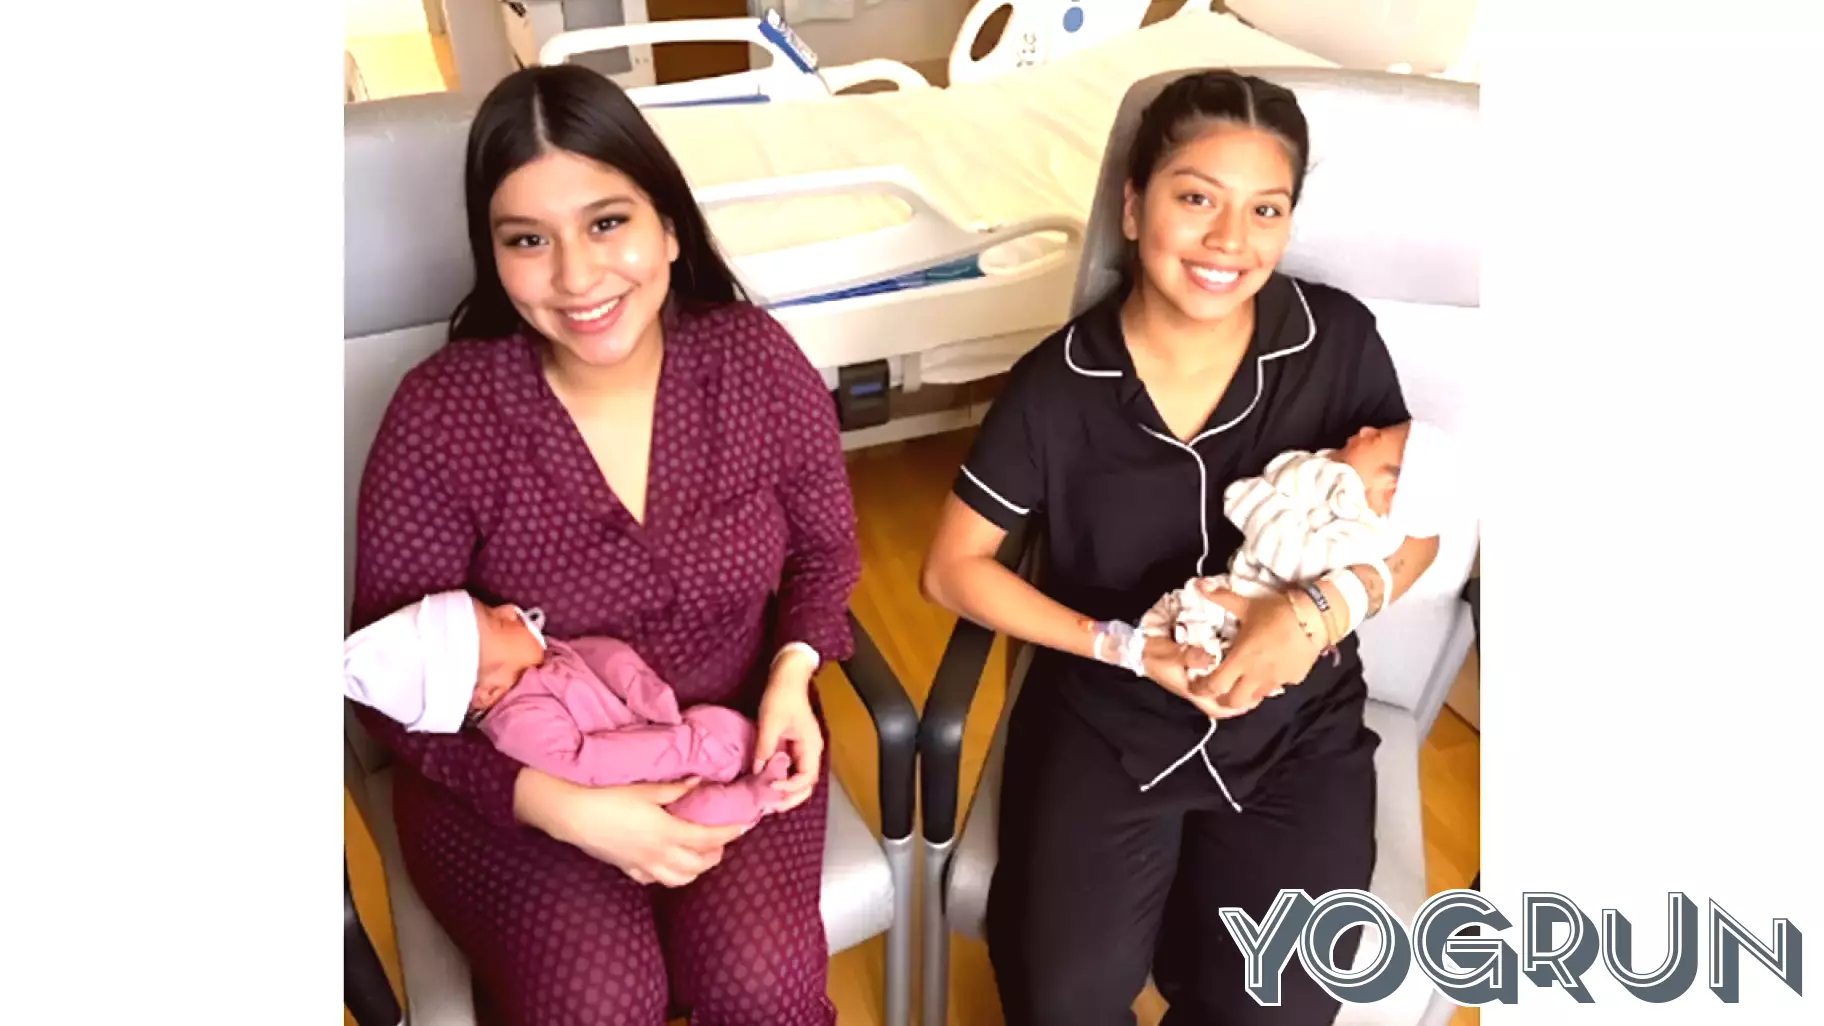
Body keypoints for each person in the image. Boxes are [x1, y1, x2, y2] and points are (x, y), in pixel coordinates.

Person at [919, 70, 1441, 1026]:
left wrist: (1318, 611)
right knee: (1062, 1000)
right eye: (1196, 198)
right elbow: (951, 568)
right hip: (1108, 717)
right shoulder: (1059, 384)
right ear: (1133, 204)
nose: (1228, 243)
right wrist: (1123, 645)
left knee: (1276, 1005)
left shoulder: (1334, 342)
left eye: (1265, 209)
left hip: (1298, 719)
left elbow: (1419, 526)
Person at [348, 64, 859, 1026]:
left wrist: (792, 672)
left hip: (725, 736)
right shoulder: (444, 416)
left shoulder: (752, 362)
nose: (577, 277)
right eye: (528, 240)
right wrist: (554, 804)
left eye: (607, 222)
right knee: (594, 1002)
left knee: (760, 987)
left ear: (668, 225)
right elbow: (383, 686)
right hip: (517, 784)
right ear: (491, 256)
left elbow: (825, 552)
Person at [342, 589, 792, 828]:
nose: (508, 609)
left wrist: (645, 691)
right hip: (645, 780)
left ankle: (760, 753)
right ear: (483, 692)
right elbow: (590, 762)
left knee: (716, 723)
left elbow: (603, 654)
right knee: (694, 811)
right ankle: (755, 797)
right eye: (497, 622)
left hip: (660, 727)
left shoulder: (542, 654)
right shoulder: (519, 724)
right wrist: (681, 746)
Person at [1140, 418, 1457, 691]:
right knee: (1182, 603)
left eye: (1375, 438)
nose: (1363, 429)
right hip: (1237, 586)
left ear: (1391, 489)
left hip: (1261, 605)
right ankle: (1154, 646)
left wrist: (1256, 502)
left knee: (1205, 615)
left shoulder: (1362, 534)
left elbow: (1298, 562)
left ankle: (1201, 661)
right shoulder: (1333, 483)